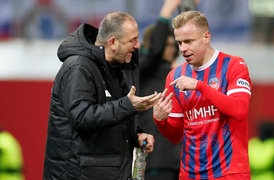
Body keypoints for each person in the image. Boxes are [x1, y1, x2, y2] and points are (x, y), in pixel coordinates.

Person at [43, 12, 162, 180]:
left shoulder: (119, 66)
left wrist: (136, 135)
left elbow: (110, 119)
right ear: (112, 42)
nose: (137, 45)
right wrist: (128, 106)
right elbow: (82, 117)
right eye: (132, 40)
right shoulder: (79, 67)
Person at [153, 11, 252, 179]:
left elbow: (240, 110)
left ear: (206, 37)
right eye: (179, 43)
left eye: (189, 41)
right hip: (190, 174)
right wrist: (160, 120)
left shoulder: (234, 65)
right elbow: (175, 136)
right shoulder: (175, 76)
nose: (183, 49)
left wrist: (199, 86)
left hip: (229, 172)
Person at [138, 0, 181, 179]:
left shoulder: (177, 75)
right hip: (153, 159)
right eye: (166, 44)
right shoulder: (142, 70)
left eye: (173, 45)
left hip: (175, 159)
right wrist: (167, 11)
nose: (170, 49)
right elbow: (154, 51)